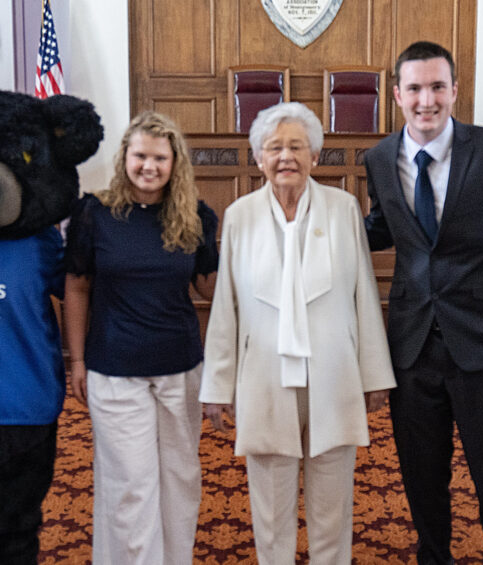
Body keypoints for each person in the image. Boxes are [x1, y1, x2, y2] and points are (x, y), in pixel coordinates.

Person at [363, 40, 483, 564]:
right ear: (397, 94)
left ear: (454, 90)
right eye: (415, 88)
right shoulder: (378, 158)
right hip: (413, 345)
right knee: (422, 476)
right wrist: (318, 226)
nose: (427, 100)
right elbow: (383, 226)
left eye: (437, 86)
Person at [200, 102, 396, 565]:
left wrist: (375, 376)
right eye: (274, 148)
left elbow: (363, 296)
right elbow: (225, 307)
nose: (285, 156)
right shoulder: (240, 215)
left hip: (333, 377)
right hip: (264, 378)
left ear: (315, 156)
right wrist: (217, 387)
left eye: (296, 146)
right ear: (259, 158)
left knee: (333, 511)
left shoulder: (343, 207)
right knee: (269, 513)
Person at [63, 111, 218, 564]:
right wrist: (76, 361)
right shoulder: (95, 212)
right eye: (140, 155)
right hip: (114, 369)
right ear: (125, 157)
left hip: (181, 367)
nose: (149, 166)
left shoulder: (194, 215)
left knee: (179, 479)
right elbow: (77, 286)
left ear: (175, 163)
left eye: (160, 158)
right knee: (130, 485)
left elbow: (210, 286)